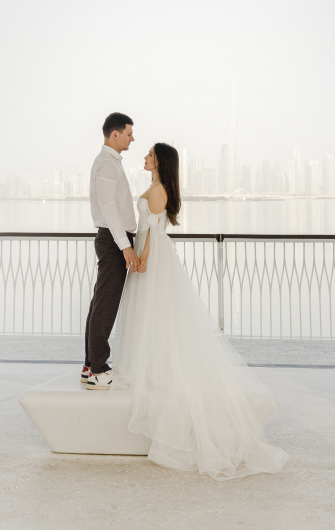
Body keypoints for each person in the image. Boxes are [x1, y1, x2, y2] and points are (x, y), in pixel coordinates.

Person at [111, 142, 289, 480]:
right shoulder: (157, 187)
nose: (145, 157)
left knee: (155, 313)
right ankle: (150, 365)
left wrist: (143, 259)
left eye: (150, 154)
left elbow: (152, 231)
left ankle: (155, 369)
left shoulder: (157, 190)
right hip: (151, 251)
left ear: (160, 161)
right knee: (152, 314)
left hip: (152, 254)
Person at [82, 112, 140, 389]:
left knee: (100, 303)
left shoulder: (110, 162)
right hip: (113, 241)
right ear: (114, 134)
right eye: (129, 133)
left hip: (113, 240)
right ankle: (98, 370)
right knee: (105, 306)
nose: (132, 138)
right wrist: (125, 246)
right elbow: (109, 209)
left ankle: (89, 366)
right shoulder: (106, 164)